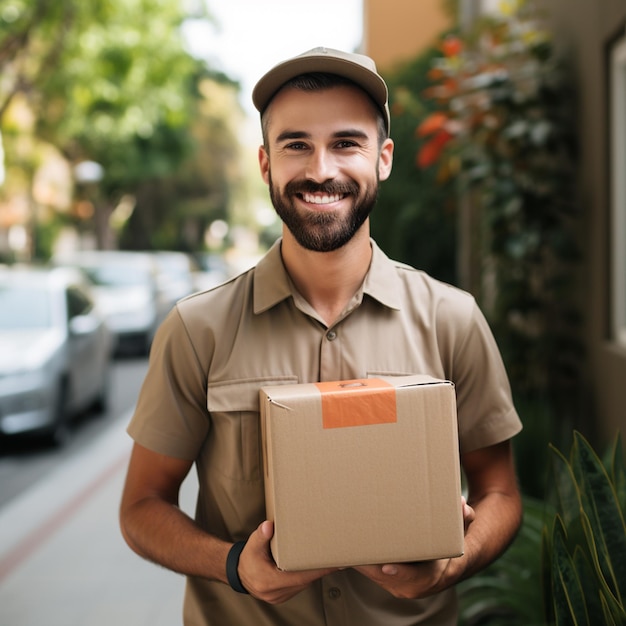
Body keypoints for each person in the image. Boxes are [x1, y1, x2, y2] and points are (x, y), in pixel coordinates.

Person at [120, 46, 523, 625]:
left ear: (383, 158)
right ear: (265, 164)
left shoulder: (451, 319)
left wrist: (450, 567)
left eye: (345, 143)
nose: (321, 170)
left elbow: (501, 493)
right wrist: (234, 564)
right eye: (296, 145)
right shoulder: (197, 329)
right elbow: (141, 507)